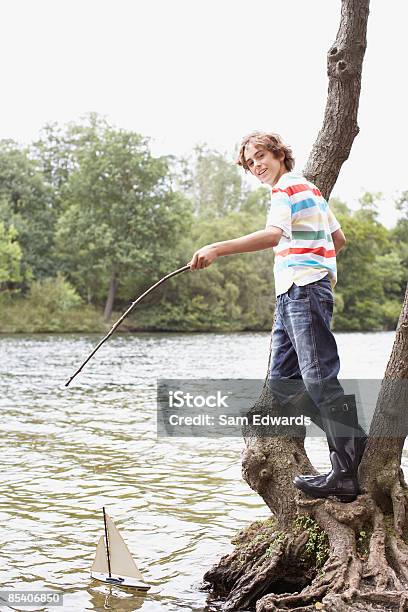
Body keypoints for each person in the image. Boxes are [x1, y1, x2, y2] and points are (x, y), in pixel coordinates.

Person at [189, 131, 367, 503]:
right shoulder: (312, 192)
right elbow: (339, 239)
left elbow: (272, 236)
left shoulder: (286, 188)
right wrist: (312, 255)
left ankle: (346, 471)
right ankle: (349, 436)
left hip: (304, 290)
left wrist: (217, 249)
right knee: (282, 385)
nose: (256, 166)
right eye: (250, 163)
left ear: (280, 154)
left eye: (261, 157)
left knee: (318, 379)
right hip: (292, 293)